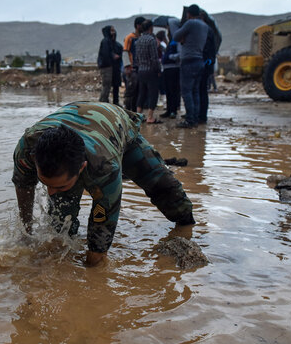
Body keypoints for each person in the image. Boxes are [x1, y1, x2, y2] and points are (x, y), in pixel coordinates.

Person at [12, 101, 195, 266]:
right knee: (60, 224)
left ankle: (187, 226)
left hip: (116, 125)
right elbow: (23, 185)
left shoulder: (105, 165)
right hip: (74, 120)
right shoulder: (27, 149)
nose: (50, 193)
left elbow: (103, 227)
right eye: (46, 184)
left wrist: (92, 275)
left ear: (82, 167)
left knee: (162, 184)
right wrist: (26, 231)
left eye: (59, 186)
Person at [173, 4, 209, 128]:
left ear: (189, 14)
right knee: (195, 92)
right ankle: (195, 118)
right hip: (199, 60)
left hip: (188, 60)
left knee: (187, 91)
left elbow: (176, 36)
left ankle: (190, 120)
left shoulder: (190, 23)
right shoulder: (205, 26)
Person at [134, 19, 162, 124]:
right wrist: (158, 70)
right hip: (151, 71)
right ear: (151, 28)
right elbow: (154, 58)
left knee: (142, 93)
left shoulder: (138, 41)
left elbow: (136, 58)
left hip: (141, 71)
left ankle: (138, 116)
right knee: (153, 94)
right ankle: (150, 117)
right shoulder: (151, 40)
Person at [123, 16, 145, 112]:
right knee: (130, 91)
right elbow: (125, 52)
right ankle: (127, 112)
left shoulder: (142, 38)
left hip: (140, 68)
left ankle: (135, 112)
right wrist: (127, 67)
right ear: (138, 25)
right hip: (132, 69)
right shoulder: (129, 38)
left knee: (138, 92)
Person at [160, 18, 181, 119]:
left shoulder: (177, 40)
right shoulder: (171, 40)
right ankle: (169, 109)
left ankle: (173, 110)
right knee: (168, 90)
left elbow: (180, 54)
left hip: (174, 68)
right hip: (167, 69)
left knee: (173, 90)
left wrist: (170, 57)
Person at [98, 26, 123, 105]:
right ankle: (103, 103)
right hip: (107, 67)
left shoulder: (116, 45)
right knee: (106, 86)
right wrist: (113, 57)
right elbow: (106, 54)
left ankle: (112, 103)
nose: (113, 32)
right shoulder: (105, 41)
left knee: (114, 86)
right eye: (111, 31)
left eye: (114, 31)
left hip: (114, 68)